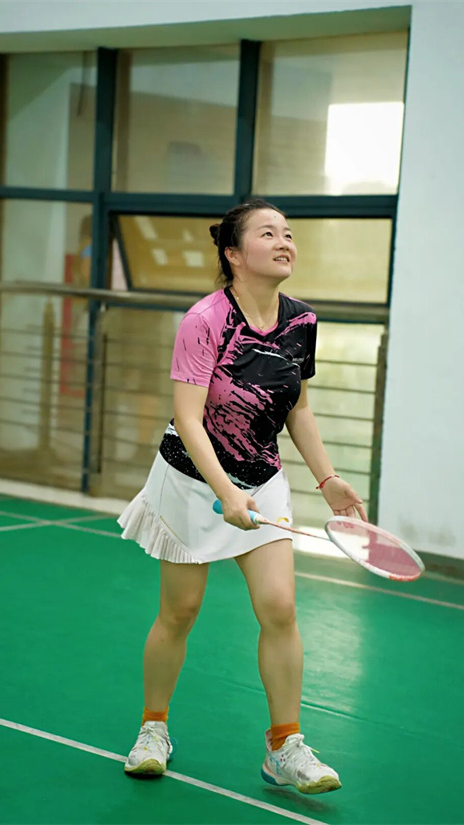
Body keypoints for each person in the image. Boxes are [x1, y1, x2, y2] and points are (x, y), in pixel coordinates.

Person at [118, 199, 367, 794]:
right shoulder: (204, 320)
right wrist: (224, 491)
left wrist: (327, 480)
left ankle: (285, 746)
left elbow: (297, 408)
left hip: (261, 478)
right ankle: (153, 728)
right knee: (180, 612)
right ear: (233, 253)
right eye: (268, 233)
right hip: (191, 480)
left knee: (279, 608)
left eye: (288, 233)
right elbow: (189, 417)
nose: (284, 242)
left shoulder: (301, 321)